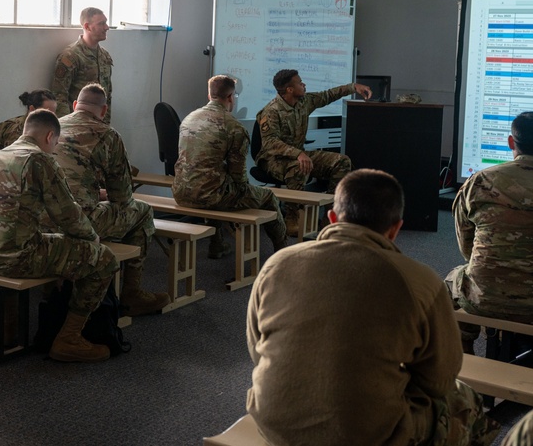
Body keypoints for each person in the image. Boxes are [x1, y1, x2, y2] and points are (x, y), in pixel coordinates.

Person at [247, 169, 499, 446]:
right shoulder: (420, 281)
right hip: (368, 435)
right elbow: (439, 381)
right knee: (464, 401)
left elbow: (257, 349)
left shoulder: (276, 265)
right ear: (395, 229)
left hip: (273, 422)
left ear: (332, 218)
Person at [0, 109, 119, 363]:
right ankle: (68, 339)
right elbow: (69, 215)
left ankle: (9, 333)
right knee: (103, 260)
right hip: (14, 257)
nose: (54, 148)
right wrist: (92, 239)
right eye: (56, 144)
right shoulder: (39, 160)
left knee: (38, 241)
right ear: (50, 136)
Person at [54, 84, 170, 316]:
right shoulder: (108, 135)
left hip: (41, 218)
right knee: (143, 211)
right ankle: (132, 292)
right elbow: (122, 197)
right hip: (79, 222)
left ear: (75, 105)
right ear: (104, 110)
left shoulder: (53, 127)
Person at [446, 111, 533, 353]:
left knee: (451, 283)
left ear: (510, 143)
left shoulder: (481, 181)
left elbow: (467, 247)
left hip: (487, 296)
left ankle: (466, 363)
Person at [173, 75, 287, 258]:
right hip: (210, 196)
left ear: (209, 95)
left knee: (214, 183)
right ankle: (284, 253)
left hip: (180, 192)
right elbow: (239, 179)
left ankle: (217, 245)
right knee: (269, 196)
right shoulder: (234, 128)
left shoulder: (189, 119)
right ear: (231, 97)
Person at [254, 69, 372, 234]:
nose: (304, 85)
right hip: (273, 159)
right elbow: (270, 143)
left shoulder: (304, 101)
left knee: (342, 162)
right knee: (298, 167)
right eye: (300, 83)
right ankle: (292, 218)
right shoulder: (271, 111)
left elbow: (329, 95)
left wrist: (354, 87)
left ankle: (330, 216)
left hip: (299, 155)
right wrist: (298, 154)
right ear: (289, 89)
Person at [52, 7, 113, 123]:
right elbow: (59, 96)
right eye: (102, 23)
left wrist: (105, 125)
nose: (107, 27)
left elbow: (108, 95)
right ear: (87, 27)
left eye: (106, 23)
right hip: (76, 125)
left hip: (99, 125)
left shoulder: (105, 56)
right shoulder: (70, 57)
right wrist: (65, 127)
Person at [0, 89, 57, 165]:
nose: (53, 117)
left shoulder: (52, 133)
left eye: (54, 113)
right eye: (47, 112)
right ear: (32, 109)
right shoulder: (9, 129)